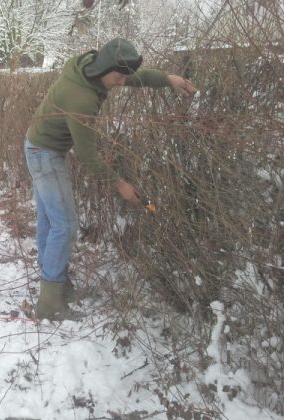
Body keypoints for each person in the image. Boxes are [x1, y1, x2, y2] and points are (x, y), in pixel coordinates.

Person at [24, 38, 197, 321]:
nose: (122, 82)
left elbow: (132, 76)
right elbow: (87, 155)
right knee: (65, 225)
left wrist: (168, 79)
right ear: (106, 68)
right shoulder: (81, 98)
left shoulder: (91, 69)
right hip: (45, 153)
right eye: (118, 77)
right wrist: (121, 185)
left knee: (50, 220)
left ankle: (53, 282)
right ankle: (49, 303)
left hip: (38, 144)